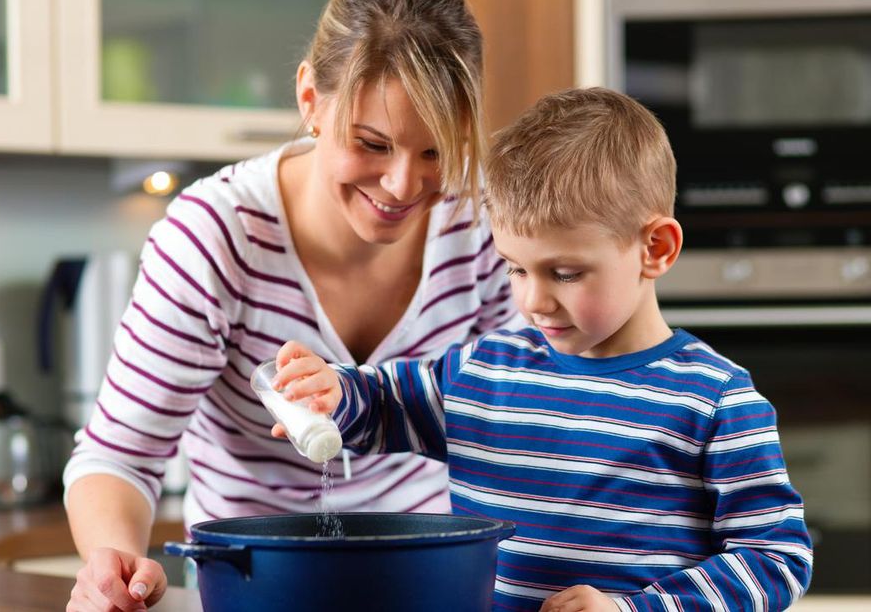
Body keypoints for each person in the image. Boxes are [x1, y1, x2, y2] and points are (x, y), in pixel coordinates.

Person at [271, 87, 813, 611]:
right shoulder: (483, 369)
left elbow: (777, 557)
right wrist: (333, 392)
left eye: (566, 273)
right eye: (516, 268)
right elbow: (383, 404)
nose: (534, 300)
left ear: (656, 248)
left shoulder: (714, 401)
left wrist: (636, 609)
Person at [63, 0, 518, 609]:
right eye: (373, 144)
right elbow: (120, 456)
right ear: (310, 100)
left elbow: (517, 416)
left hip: (430, 577)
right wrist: (111, 563)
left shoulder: (482, 224)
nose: (404, 185)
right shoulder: (216, 238)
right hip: (257, 583)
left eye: (436, 151)